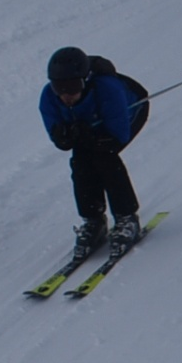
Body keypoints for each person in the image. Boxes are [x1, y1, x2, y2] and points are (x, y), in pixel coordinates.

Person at [38, 47, 146, 259]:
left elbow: (118, 136)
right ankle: (94, 220)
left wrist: (90, 135)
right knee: (80, 161)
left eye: (73, 86)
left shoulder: (107, 90)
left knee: (105, 158)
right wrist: (64, 136)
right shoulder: (49, 98)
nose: (66, 95)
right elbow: (60, 140)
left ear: (85, 81)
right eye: (59, 87)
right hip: (92, 127)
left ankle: (127, 217)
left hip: (130, 111)